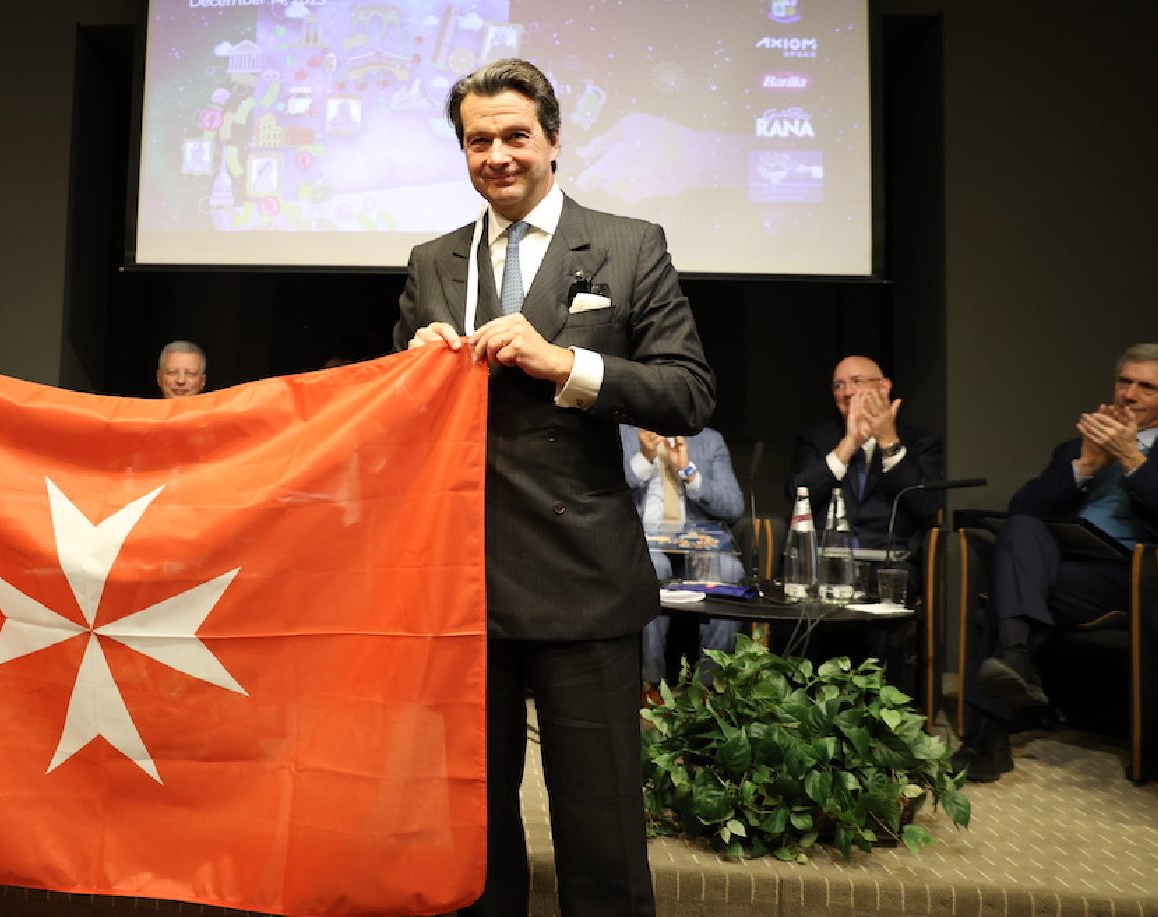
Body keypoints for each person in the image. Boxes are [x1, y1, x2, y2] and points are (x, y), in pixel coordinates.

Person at [395, 58, 714, 916]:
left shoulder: (627, 244)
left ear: (553, 140)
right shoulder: (431, 261)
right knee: (472, 843)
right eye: (478, 141)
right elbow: (397, 428)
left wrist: (564, 362)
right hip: (462, 589)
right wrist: (409, 372)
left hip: (582, 581)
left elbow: (687, 391)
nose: (496, 155)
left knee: (602, 841)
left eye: (514, 136)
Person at [954, 343, 1158, 782]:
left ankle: (988, 733)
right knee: (1023, 528)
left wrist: (1131, 459)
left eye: (1147, 387)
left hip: (1128, 574)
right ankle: (1014, 655)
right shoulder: (1077, 446)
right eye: (1124, 382)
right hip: (1057, 566)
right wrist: (1085, 465)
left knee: (1013, 594)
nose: (1130, 395)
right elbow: (1021, 510)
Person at [786, 355, 946, 589]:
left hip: (890, 566)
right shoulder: (815, 439)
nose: (847, 392)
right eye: (838, 386)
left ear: (884, 387)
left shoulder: (921, 442)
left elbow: (927, 504)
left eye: (857, 381)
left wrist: (888, 441)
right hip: (823, 564)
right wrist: (849, 443)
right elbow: (798, 495)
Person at [619, 425, 745, 692]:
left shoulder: (709, 440)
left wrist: (689, 472)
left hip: (697, 542)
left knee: (728, 570)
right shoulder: (620, 433)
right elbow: (601, 495)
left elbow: (734, 506)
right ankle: (651, 684)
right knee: (653, 566)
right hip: (641, 540)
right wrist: (644, 460)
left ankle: (712, 686)